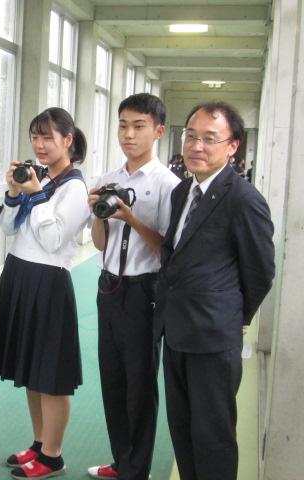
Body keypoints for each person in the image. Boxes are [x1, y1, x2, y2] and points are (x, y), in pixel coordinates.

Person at [154, 101, 275, 480]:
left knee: (213, 437)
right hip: (176, 333)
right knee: (183, 430)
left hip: (213, 338)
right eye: (191, 136)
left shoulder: (243, 200)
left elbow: (260, 272)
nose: (196, 146)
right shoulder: (182, 192)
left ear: (232, 146)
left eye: (209, 138)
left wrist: (236, 316)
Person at [86, 93, 179, 480]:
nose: (128, 134)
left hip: (145, 291)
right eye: (123, 125)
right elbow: (100, 244)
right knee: (112, 380)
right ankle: (121, 461)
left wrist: (132, 218)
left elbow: (168, 249)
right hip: (108, 287)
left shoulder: (168, 185)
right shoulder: (108, 179)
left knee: (139, 384)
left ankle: (137, 470)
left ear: (158, 131)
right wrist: (99, 215)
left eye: (139, 126)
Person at [0, 107, 89, 479]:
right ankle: (39, 444)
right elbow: (7, 227)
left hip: (49, 282)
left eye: (48, 137)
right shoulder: (40, 177)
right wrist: (15, 192)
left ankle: (53, 455)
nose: (40, 145)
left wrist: (36, 196)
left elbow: (53, 240)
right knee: (31, 371)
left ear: (68, 140)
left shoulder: (75, 187)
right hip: (18, 275)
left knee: (51, 376)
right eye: (35, 137)